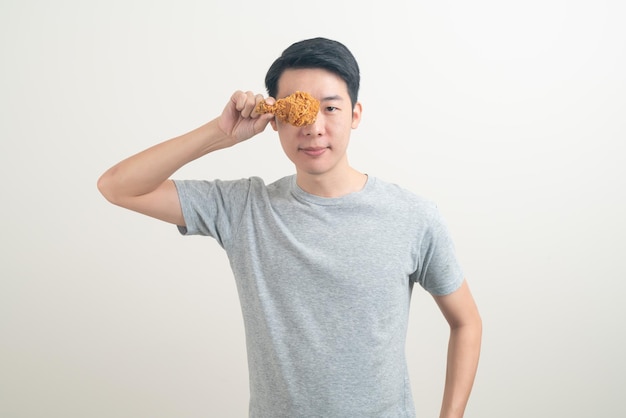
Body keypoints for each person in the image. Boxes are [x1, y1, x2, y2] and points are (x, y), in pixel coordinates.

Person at [97, 37, 482, 418]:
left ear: (355, 114)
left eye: (331, 107)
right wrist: (220, 132)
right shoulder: (245, 209)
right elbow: (117, 186)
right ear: (275, 119)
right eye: (298, 111)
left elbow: (466, 321)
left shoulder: (412, 216)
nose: (314, 127)